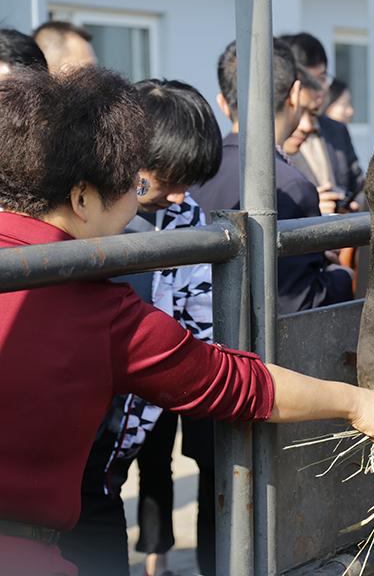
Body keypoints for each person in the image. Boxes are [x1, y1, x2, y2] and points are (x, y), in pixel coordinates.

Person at [0, 66, 374, 576]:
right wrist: (354, 400)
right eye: (132, 182)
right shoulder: (94, 309)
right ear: (81, 198)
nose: (141, 197)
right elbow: (228, 381)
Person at [57, 78, 223, 576]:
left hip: (129, 431)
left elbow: (201, 321)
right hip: (73, 434)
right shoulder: (77, 216)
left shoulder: (187, 219)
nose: (178, 195)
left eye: (188, 182)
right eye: (168, 178)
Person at [191, 39, 353, 315]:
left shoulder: (195, 172)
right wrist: (342, 276)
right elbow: (299, 301)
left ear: (223, 103)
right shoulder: (292, 187)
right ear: (295, 94)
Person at [279, 33, 364, 210]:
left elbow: (360, 186)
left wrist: (353, 205)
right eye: (309, 81)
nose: (319, 88)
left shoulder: (337, 130)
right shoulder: (269, 149)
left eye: (323, 77)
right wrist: (312, 207)